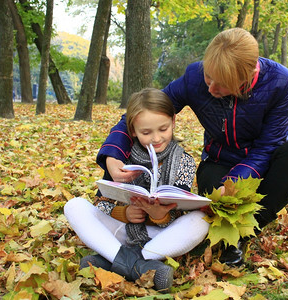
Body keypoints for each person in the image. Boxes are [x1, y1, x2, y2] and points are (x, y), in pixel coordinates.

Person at [97, 28, 288, 266]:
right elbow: (144, 113)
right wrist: (113, 154)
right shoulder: (194, 77)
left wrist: (234, 183)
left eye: (222, 85)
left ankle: (241, 234)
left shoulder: (280, 81)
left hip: (262, 166)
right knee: (211, 189)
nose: (211, 89)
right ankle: (222, 230)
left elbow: (268, 147)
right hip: (217, 163)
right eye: (208, 77)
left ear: (248, 76)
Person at [64, 88, 209, 291]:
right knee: (74, 206)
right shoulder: (121, 159)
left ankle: (113, 260)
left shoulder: (184, 161)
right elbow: (101, 203)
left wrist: (160, 215)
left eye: (163, 129)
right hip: (121, 231)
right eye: (146, 132)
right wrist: (124, 213)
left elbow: (181, 209)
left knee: (200, 222)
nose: (157, 138)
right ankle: (140, 266)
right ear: (132, 130)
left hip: (160, 236)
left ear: (173, 122)